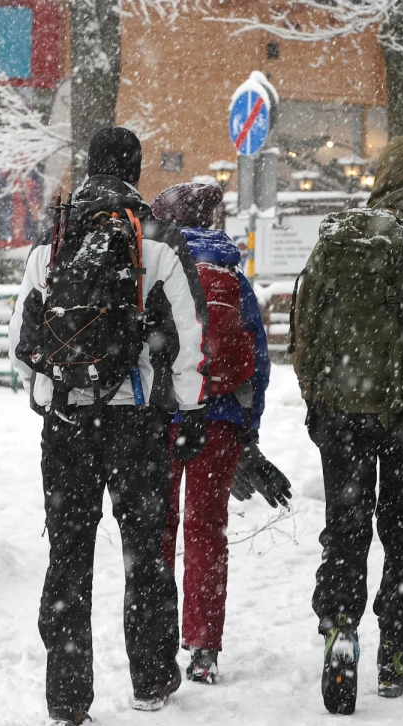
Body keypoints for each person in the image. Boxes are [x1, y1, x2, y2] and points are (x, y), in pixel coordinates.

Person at [9, 127, 210, 726]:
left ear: (89, 168)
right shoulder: (157, 245)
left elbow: (22, 346)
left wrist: (53, 399)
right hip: (136, 425)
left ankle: (67, 698)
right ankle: (150, 678)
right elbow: (189, 344)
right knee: (144, 549)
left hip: (69, 421)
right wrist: (189, 412)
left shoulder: (54, 242)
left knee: (68, 556)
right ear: (136, 170)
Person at [290, 136, 403, 715]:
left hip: (343, 413)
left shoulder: (338, 239)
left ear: (380, 177)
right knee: (402, 529)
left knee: (345, 528)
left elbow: (304, 328)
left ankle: (341, 626)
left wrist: (316, 398)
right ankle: (395, 651)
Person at [150, 182, 289, 686]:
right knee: (206, 531)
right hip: (222, 418)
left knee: (160, 528)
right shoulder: (230, 274)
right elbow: (260, 361)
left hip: (165, 417)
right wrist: (247, 429)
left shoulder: (157, 267)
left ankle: (157, 639)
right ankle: (204, 646)